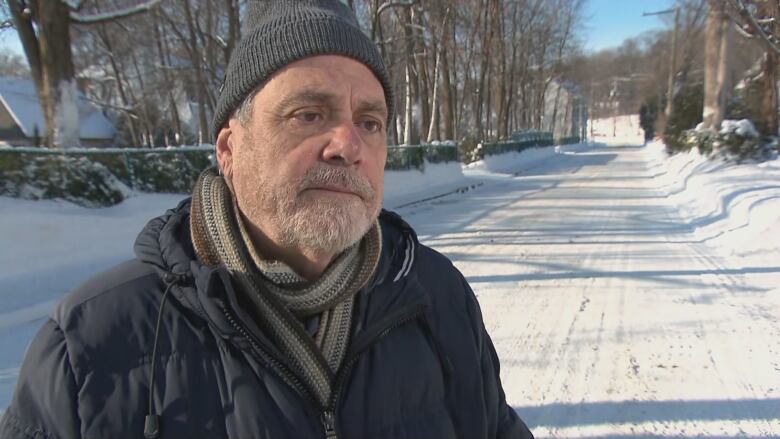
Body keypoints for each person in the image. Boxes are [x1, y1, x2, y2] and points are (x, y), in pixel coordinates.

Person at [0, 1, 534, 438]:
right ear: (231, 149)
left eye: (369, 122)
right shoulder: (87, 346)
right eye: (309, 114)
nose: (348, 145)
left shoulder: (438, 296)